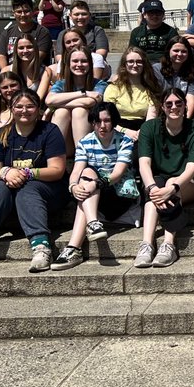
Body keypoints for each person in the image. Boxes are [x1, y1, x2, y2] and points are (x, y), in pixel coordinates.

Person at [0, 90, 68, 274]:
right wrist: (6, 171)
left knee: (28, 186)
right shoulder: (1, 135)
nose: (24, 110)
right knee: (2, 185)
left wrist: (26, 172)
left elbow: (57, 170)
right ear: (11, 109)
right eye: (19, 106)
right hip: (11, 192)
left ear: (38, 109)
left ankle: (41, 246)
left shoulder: (49, 131)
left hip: (50, 191)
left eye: (30, 106)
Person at [52, 102, 137, 270]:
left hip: (120, 194)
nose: (102, 126)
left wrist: (96, 183)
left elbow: (117, 173)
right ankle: (92, 225)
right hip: (95, 196)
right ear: (92, 123)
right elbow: (76, 170)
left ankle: (74, 247)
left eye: (107, 121)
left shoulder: (124, 141)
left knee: (89, 180)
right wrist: (73, 187)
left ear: (114, 122)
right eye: (98, 121)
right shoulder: (85, 142)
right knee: (87, 173)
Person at [132, 87, 194, 267]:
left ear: (185, 105)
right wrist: (152, 188)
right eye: (169, 104)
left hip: (187, 183)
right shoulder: (149, 127)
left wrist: (172, 188)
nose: (174, 107)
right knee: (153, 196)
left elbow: (191, 168)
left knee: (171, 183)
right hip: (157, 179)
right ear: (163, 107)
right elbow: (144, 164)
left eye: (179, 103)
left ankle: (168, 244)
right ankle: (147, 244)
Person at [0, 0, 52, 91]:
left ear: (32, 12)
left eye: (26, 11)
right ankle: (14, 87)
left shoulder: (42, 32)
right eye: (19, 12)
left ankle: (5, 88)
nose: (22, 15)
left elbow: (39, 56)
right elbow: (1, 56)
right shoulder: (8, 32)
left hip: (32, 70)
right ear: (14, 13)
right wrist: (7, 72)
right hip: (10, 68)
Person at [103, 47, 162, 140]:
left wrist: (141, 132)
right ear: (124, 65)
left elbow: (151, 117)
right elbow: (107, 118)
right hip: (117, 130)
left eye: (139, 62)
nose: (135, 65)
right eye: (130, 61)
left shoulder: (151, 88)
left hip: (143, 130)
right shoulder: (113, 88)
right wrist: (126, 131)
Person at [154, 39, 194, 117]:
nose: (180, 54)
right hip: (161, 112)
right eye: (176, 51)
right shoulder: (156, 70)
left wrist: (184, 120)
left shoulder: (193, 74)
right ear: (168, 51)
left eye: (184, 51)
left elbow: (190, 100)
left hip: (181, 114)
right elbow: (156, 98)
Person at [129, 0, 179, 65]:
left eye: (158, 13)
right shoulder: (136, 32)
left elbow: (177, 53)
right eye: (151, 13)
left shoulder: (171, 32)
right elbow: (131, 52)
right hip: (142, 66)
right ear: (144, 15)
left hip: (164, 66)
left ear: (163, 15)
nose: (155, 16)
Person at [9, 33, 53, 100]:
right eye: (21, 48)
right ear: (16, 51)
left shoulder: (45, 71)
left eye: (29, 47)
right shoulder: (7, 70)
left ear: (35, 49)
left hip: (33, 106)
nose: (25, 51)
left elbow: (38, 98)